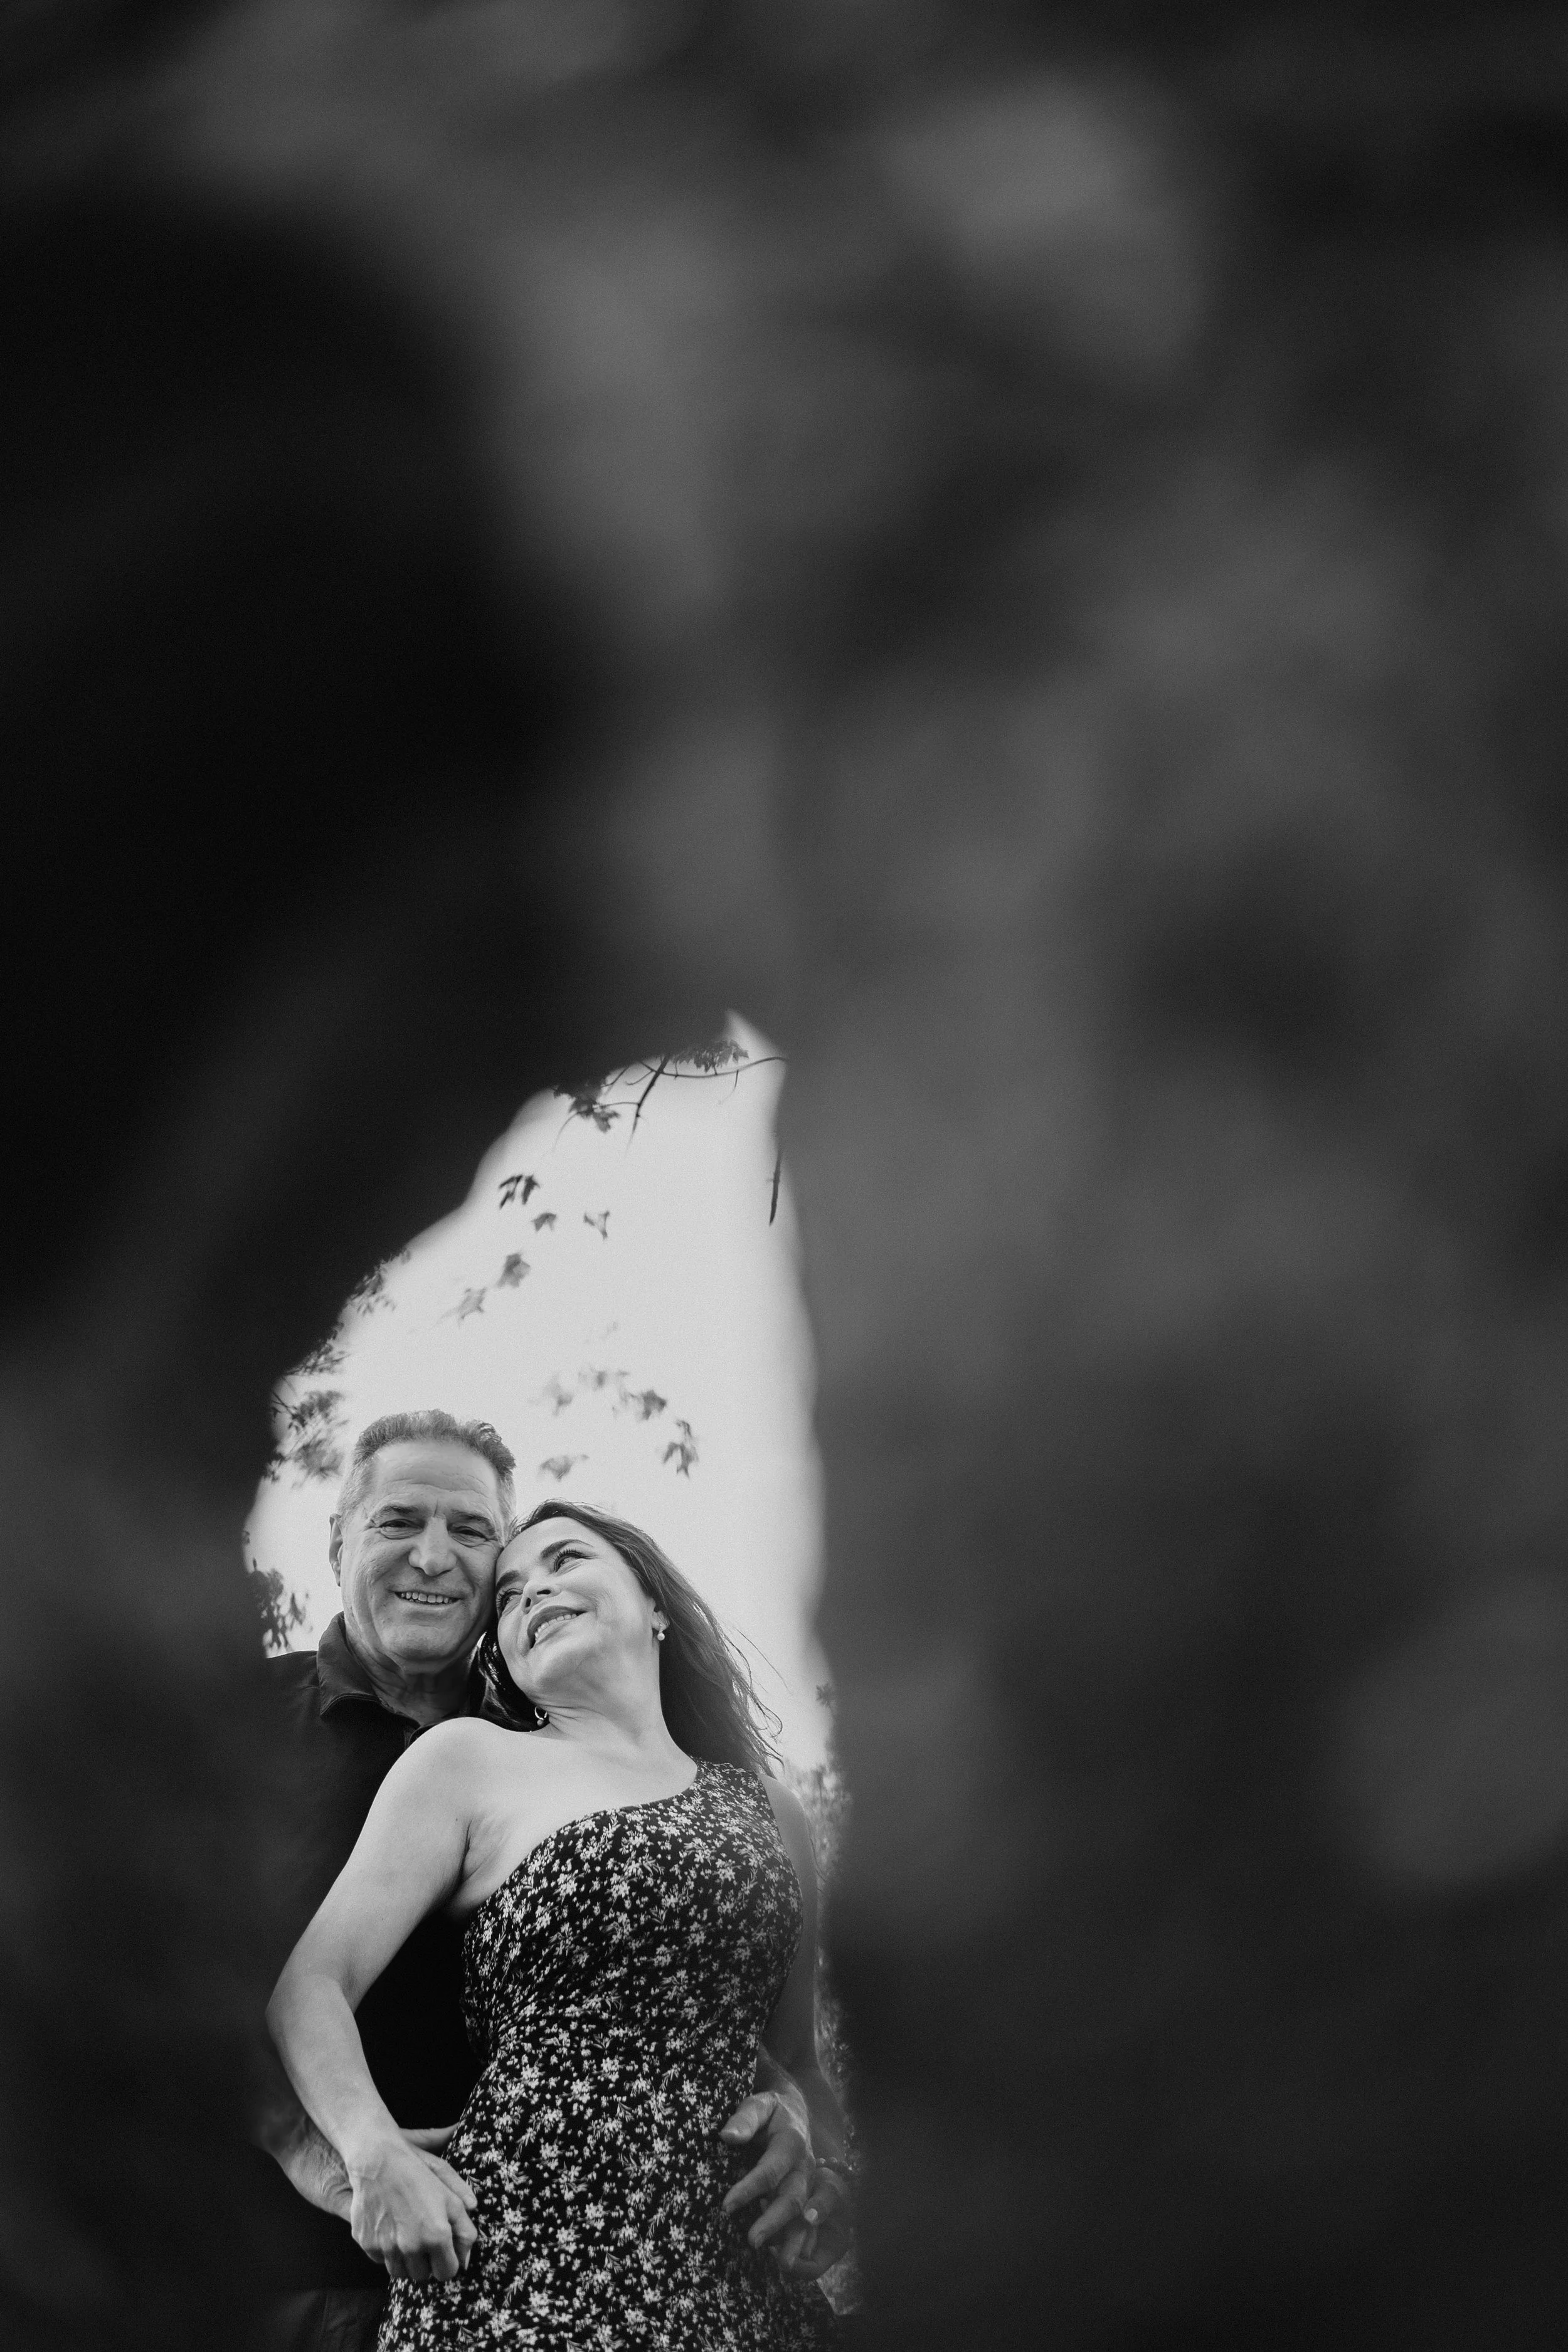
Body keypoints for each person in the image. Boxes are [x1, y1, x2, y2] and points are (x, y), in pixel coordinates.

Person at [253, 1419, 837, 2351]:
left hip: (697, 2262)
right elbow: (168, 1988)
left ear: (654, 1602)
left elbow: (748, 2034)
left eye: (473, 1533)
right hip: (337, 2269)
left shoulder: (736, 1803)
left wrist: (800, 2129)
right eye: (399, 1519)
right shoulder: (239, 1727)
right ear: (338, 1541)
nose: (434, 1555)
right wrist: (350, 2154)